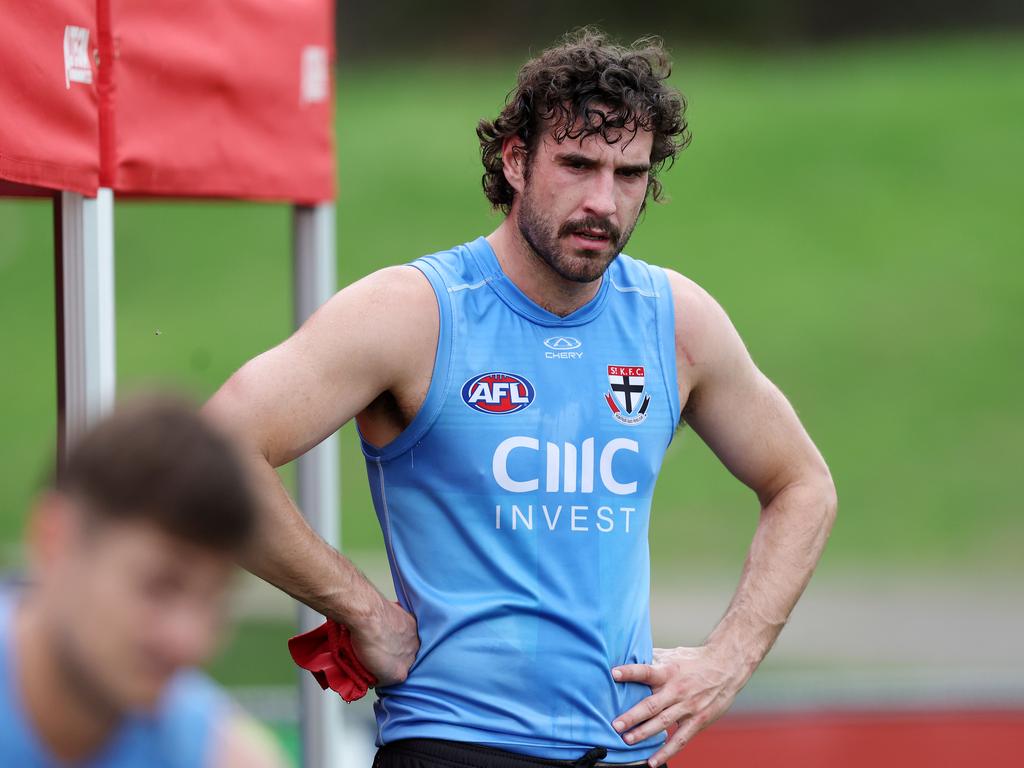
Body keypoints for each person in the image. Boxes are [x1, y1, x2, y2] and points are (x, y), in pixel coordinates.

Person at [204, 28, 837, 768]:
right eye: (576, 165)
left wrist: (728, 660)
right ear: (515, 162)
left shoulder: (676, 321)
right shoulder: (418, 312)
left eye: (628, 174)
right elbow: (214, 452)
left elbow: (804, 484)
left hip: (624, 751)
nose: (602, 200)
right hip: (455, 743)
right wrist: (357, 606)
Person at [0, 396, 287, 768]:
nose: (188, 641)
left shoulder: (219, 755)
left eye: (213, 600)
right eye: (158, 586)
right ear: (57, 542)